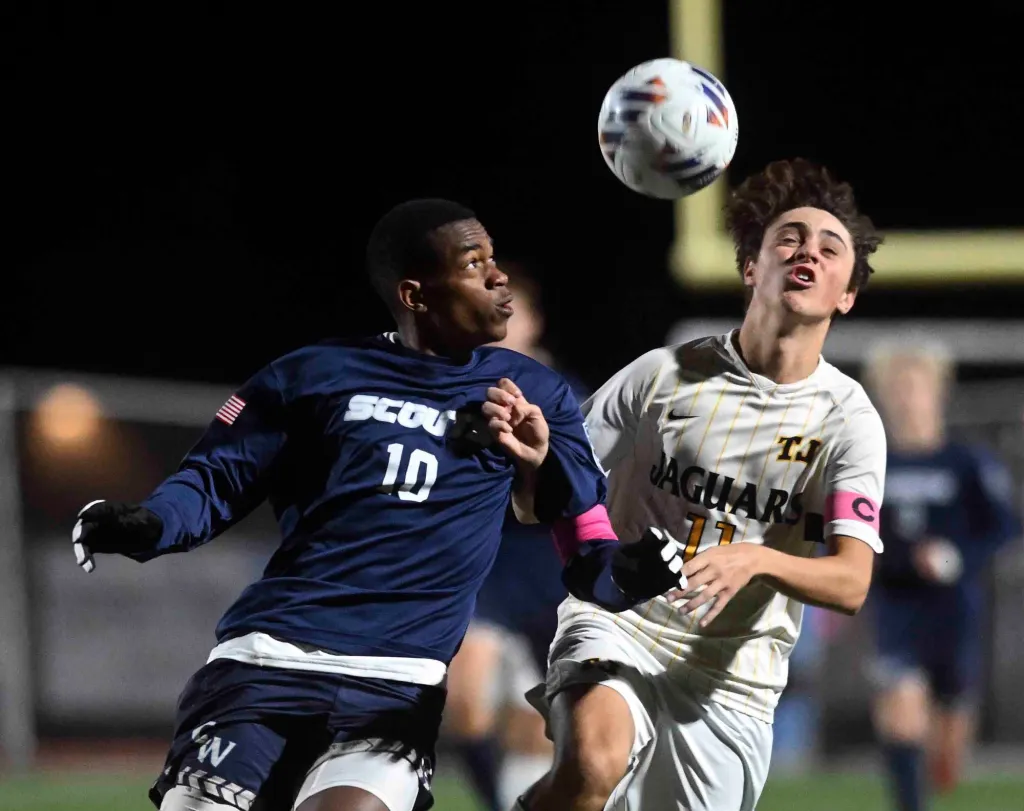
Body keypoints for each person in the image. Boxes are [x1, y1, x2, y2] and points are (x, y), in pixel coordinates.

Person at [69, 199, 689, 811]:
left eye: (493, 259)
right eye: (475, 265)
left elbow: (588, 555)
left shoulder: (537, 394)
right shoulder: (314, 373)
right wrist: (147, 524)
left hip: (394, 688)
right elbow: (211, 482)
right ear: (416, 295)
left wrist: (630, 569)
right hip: (266, 663)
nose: (499, 277)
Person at [515, 158, 889, 811]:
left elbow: (852, 581)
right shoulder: (661, 375)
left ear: (847, 292)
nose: (809, 251)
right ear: (751, 266)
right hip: (622, 621)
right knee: (592, 763)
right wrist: (537, 461)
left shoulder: (849, 422)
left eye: (832, 248)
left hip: (732, 678)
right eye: (789, 238)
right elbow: (535, 503)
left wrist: (757, 559)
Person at [445, 264, 588, 811]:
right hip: (487, 569)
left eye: (512, 311)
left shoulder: (569, 394)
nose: (501, 323)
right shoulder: (460, 391)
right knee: (465, 703)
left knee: (546, 724)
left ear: (535, 322)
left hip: (554, 572)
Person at [863, 340, 1019, 811]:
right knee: (902, 714)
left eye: (916, 386)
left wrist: (955, 557)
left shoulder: (966, 464)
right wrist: (898, 560)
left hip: (953, 612)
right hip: (896, 607)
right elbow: (848, 533)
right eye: (898, 388)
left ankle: (943, 757)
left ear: (937, 393)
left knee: (947, 757)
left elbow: (1005, 526)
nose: (908, 398)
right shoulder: (870, 465)